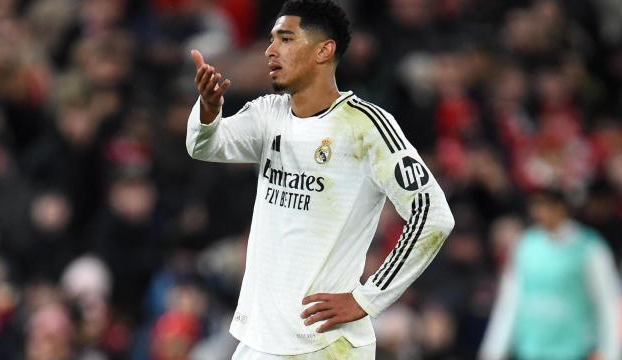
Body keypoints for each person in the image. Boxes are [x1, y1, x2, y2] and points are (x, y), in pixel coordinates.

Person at [185, 0, 455, 358]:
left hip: (326, 344)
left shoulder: (368, 127)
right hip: (261, 339)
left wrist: (367, 297)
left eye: (285, 39)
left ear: (324, 50)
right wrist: (208, 109)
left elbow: (432, 215)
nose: (270, 50)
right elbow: (205, 146)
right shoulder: (269, 113)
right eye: (270, 40)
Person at [479, 189, 622, 360]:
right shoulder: (526, 245)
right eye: (535, 206)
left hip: (574, 351)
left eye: (544, 206)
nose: (537, 213)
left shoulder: (589, 247)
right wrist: (493, 349)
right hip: (530, 351)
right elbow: (510, 301)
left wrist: (612, 352)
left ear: (561, 208)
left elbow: (607, 301)